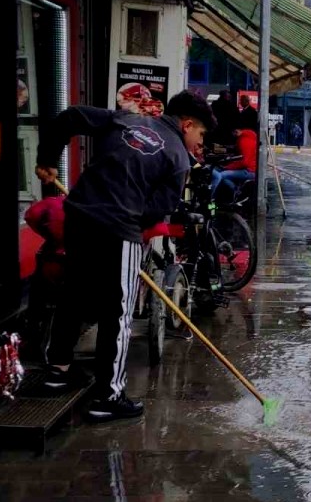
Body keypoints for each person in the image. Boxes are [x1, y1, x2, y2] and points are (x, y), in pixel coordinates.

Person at [34, 91, 214, 422]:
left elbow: (70, 116)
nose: (197, 141)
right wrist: (129, 216)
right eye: (200, 134)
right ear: (187, 124)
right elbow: (159, 209)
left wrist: (47, 158)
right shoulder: (178, 157)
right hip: (119, 231)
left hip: (79, 218)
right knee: (117, 313)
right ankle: (108, 395)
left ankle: (56, 371)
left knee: (73, 295)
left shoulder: (124, 119)